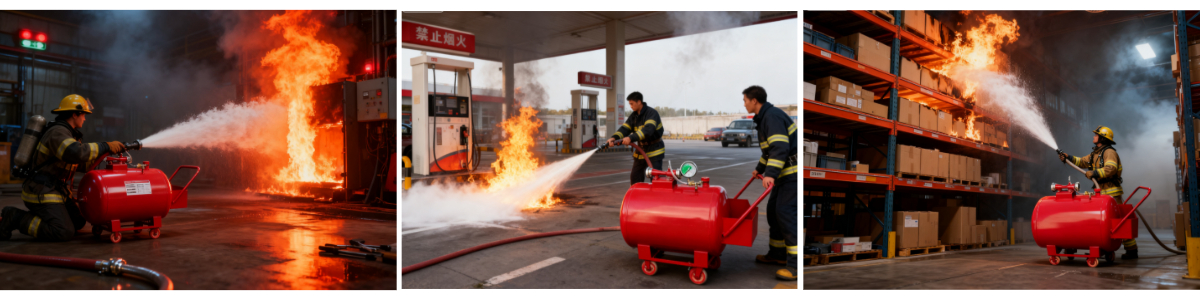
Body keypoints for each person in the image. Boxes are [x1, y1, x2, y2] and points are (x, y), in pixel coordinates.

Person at [0, 95, 126, 241]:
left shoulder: (69, 134)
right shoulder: (58, 132)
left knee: (78, 222)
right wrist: (105, 145)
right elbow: (74, 152)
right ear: (74, 114)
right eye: (83, 114)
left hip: (55, 189)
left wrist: (105, 153)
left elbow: (79, 164)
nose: (85, 118)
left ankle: (48, 216)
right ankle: (15, 217)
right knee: (63, 231)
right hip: (41, 191)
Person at [743, 85, 798, 281]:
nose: (744, 104)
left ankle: (795, 266)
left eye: (745, 100)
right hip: (784, 175)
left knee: (785, 214)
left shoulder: (771, 117)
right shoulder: (765, 117)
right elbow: (769, 151)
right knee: (774, 212)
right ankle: (777, 255)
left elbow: (780, 148)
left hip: (791, 175)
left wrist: (771, 174)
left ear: (754, 101)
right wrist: (760, 168)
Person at [1058, 126, 1132, 258]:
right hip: (1101, 193)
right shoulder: (1095, 154)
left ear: (1102, 138)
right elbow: (1081, 161)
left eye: (1096, 135)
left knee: (1119, 221)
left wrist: (1095, 173)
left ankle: (1132, 250)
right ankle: (1103, 244)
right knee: (1102, 222)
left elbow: (1111, 169)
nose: (1093, 137)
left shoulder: (1109, 152)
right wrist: (1067, 157)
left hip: (1112, 192)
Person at [606, 92, 665, 185]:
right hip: (641, 151)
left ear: (639, 102)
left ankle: (657, 198)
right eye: (629, 104)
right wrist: (614, 138)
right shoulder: (634, 116)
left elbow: (648, 130)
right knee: (635, 178)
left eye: (632, 103)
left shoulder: (652, 113)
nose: (631, 106)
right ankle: (638, 198)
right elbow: (625, 128)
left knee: (656, 179)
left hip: (654, 151)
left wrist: (631, 138)